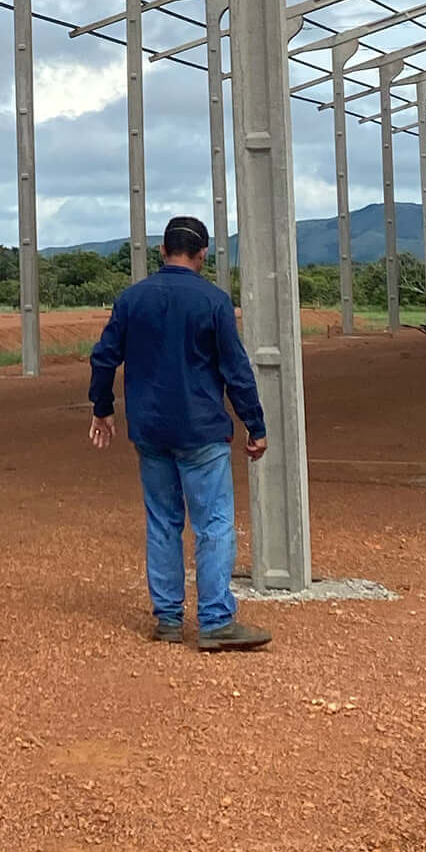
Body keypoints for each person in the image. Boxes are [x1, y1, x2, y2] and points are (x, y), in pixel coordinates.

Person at [87, 213, 272, 651]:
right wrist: (255, 423)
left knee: (162, 522)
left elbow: (103, 357)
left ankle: (168, 620)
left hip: (150, 429)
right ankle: (215, 621)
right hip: (202, 431)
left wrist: (102, 408)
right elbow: (236, 370)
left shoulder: (132, 299)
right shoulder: (213, 301)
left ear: (162, 250)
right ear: (203, 254)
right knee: (213, 524)